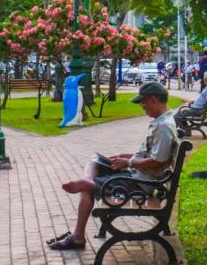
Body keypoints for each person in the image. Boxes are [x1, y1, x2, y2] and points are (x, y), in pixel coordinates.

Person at [47, 82, 178, 251]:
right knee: (95, 160)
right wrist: (127, 156)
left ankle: (78, 236)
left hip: (141, 183)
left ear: (153, 100)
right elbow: (153, 156)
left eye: (143, 103)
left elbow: (157, 162)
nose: (142, 107)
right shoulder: (161, 122)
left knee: (87, 190)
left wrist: (128, 162)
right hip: (137, 174)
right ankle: (88, 180)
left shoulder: (164, 126)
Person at [175, 71, 207, 135]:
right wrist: (194, 103)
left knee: (178, 115)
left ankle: (174, 131)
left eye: (204, 78)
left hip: (199, 110)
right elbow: (205, 100)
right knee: (181, 113)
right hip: (200, 109)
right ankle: (186, 129)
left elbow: (205, 102)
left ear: (206, 79)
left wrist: (194, 105)